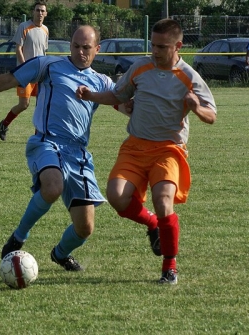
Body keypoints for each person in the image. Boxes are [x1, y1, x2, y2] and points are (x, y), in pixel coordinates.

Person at [0, 25, 121, 271]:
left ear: (97, 49)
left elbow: (124, 105)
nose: (80, 52)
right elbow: (8, 80)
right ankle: (19, 237)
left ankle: (61, 254)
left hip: (78, 154)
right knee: (52, 185)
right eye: (75, 46)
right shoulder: (48, 65)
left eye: (86, 48)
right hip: (47, 142)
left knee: (85, 228)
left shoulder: (102, 82)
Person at [76, 19, 217, 284]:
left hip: (168, 150)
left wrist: (196, 108)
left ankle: (169, 268)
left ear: (178, 46)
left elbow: (212, 115)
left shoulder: (189, 76)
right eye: (153, 45)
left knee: (163, 201)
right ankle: (152, 224)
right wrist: (91, 95)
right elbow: (118, 95)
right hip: (135, 146)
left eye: (162, 47)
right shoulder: (140, 67)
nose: (155, 51)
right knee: (116, 197)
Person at [0, 0, 48, 141]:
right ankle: (4, 123)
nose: (40, 13)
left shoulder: (45, 30)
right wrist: (25, 67)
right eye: (37, 10)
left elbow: (44, 52)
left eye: (42, 11)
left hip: (40, 74)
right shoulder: (24, 27)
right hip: (26, 73)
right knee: (24, 104)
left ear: (46, 13)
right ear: (33, 12)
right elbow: (18, 48)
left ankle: (38, 136)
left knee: (42, 105)